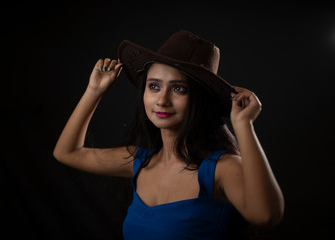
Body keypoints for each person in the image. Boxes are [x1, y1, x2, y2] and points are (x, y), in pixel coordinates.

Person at [53, 30, 284, 239]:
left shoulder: (222, 168)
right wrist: (94, 92)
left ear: (200, 99)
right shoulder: (139, 161)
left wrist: (243, 125)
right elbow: (67, 152)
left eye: (178, 89)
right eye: (154, 86)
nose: (162, 100)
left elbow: (266, 216)